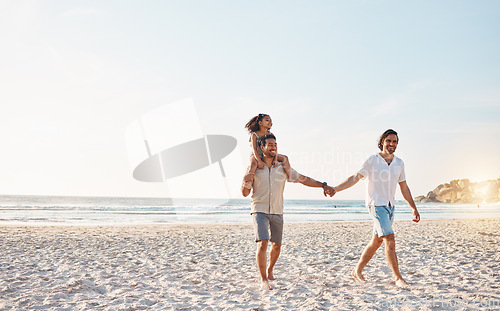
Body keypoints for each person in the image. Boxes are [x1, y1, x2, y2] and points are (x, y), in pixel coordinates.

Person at [241, 134, 335, 290]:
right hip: (259, 209)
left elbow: (303, 179)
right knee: (262, 242)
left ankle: (270, 270)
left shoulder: (283, 167)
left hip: (278, 210)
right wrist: (246, 179)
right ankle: (264, 279)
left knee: (276, 245)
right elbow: (245, 193)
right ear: (262, 147)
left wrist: (323, 185)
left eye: (275, 145)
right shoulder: (256, 167)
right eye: (269, 145)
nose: (273, 147)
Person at [332, 129, 420, 288]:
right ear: (382, 142)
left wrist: (413, 208)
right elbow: (355, 177)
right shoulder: (372, 160)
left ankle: (357, 270)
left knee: (377, 241)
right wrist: (336, 189)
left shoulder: (399, 163)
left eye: (394, 141)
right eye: (388, 141)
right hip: (376, 205)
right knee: (390, 239)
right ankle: (398, 277)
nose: (391, 144)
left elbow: (404, 187)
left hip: (390, 206)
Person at [243, 114, 292, 189]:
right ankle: (249, 182)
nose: (270, 122)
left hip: (268, 154)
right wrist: (259, 160)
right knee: (253, 164)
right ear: (260, 123)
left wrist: (275, 159)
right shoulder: (255, 134)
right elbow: (254, 149)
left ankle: (290, 176)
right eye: (267, 120)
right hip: (256, 154)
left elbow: (275, 148)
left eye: (271, 121)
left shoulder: (270, 134)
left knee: (285, 158)